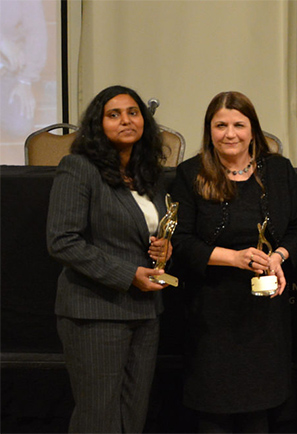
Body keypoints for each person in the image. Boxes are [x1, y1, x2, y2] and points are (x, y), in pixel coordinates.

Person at [169, 91, 297, 433]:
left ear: (253, 129)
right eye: (221, 125)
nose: (230, 134)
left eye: (239, 125)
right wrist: (234, 258)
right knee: (213, 412)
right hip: (211, 312)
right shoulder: (190, 173)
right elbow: (181, 242)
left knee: (259, 413)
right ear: (209, 130)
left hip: (266, 312)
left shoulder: (279, 170)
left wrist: (278, 256)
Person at [46, 85, 172, 433]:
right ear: (98, 124)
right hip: (95, 312)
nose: (126, 120)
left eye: (132, 112)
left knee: (133, 416)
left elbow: (152, 231)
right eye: (113, 115)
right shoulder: (78, 168)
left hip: (145, 311)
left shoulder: (149, 173)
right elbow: (62, 241)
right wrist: (128, 274)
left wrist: (165, 249)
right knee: (98, 419)